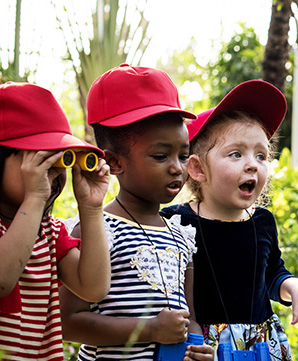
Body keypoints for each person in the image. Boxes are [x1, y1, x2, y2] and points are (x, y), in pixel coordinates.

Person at [161, 80, 298, 361]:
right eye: (236, 153)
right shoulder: (175, 221)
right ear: (197, 169)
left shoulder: (262, 221)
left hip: (259, 345)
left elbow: (271, 274)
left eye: (261, 155)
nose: (253, 163)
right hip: (201, 347)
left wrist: (294, 287)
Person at [59, 64, 214, 361]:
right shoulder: (97, 230)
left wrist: (196, 347)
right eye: (160, 156)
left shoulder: (181, 236)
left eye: (183, 155)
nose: (177, 168)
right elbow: (69, 322)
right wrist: (149, 330)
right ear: (114, 163)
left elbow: (188, 318)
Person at [0, 82, 111, 360]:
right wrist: (35, 197)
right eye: (41, 158)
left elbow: (94, 288)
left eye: (60, 160)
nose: (53, 172)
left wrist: (91, 206)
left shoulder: (49, 232)